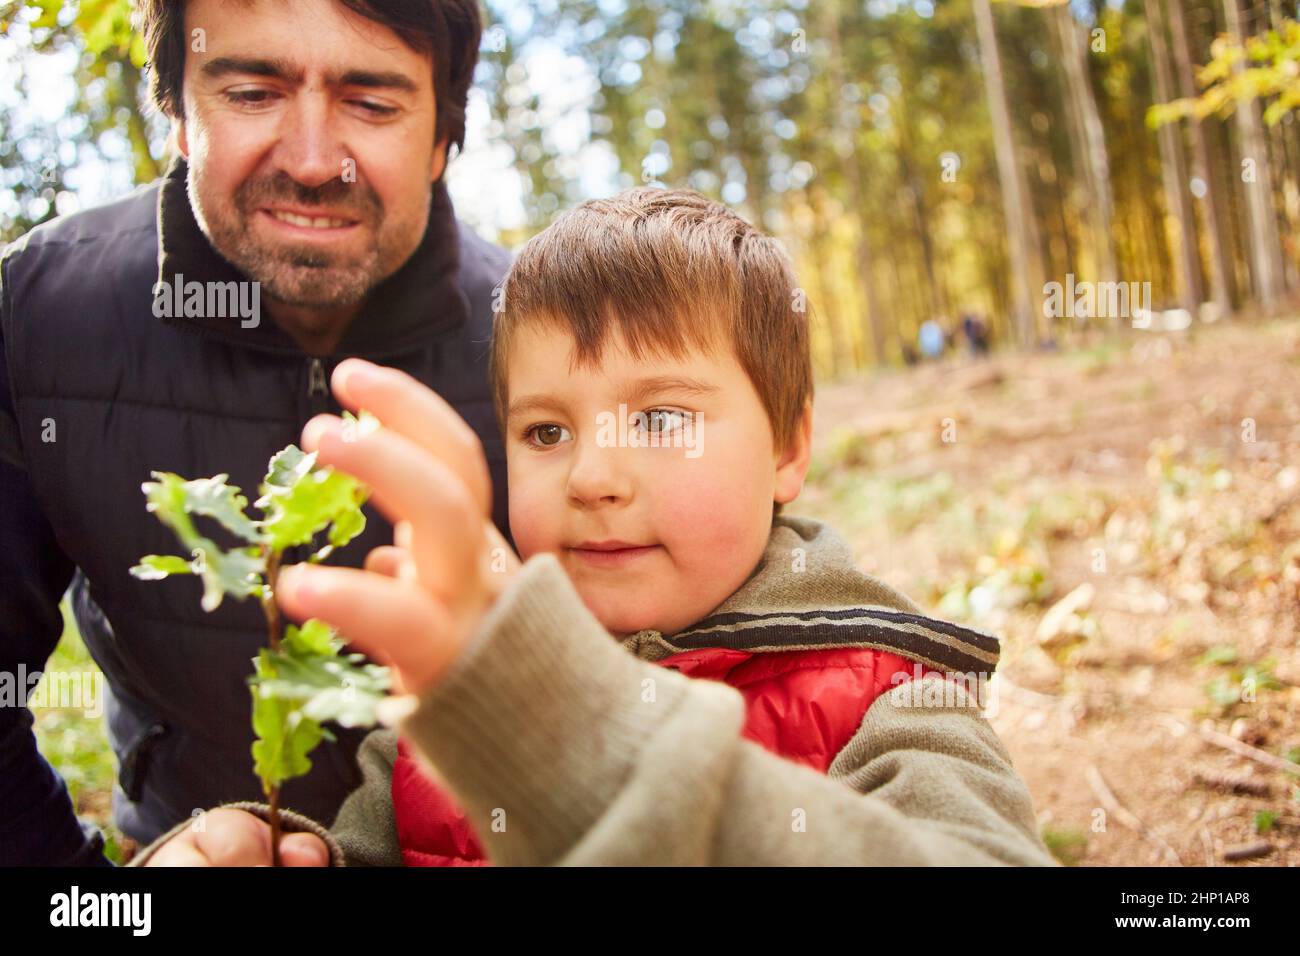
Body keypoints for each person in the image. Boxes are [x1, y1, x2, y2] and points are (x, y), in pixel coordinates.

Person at [134, 188, 1056, 867]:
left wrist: (556, 734)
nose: (594, 477)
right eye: (546, 431)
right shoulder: (438, 710)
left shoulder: (889, 696)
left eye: (661, 419)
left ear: (787, 445)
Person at [0, 0, 509, 865]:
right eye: (251, 91)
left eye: (372, 103)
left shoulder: (535, 343)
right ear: (180, 116)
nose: (312, 163)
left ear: (439, 139)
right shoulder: (36, 318)